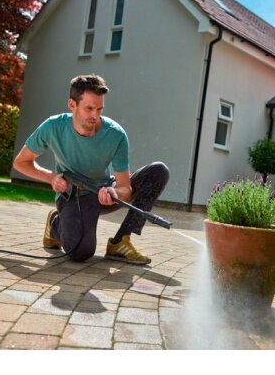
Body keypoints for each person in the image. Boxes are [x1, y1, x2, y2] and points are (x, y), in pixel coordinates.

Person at [13, 74, 169, 266]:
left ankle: (120, 241)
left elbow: (125, 187)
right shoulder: (53, 127)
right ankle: (56, 223)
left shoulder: (115, 134)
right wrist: (51, 178)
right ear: (72, 104)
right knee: (81, 252)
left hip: (104, 192)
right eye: (89, 108)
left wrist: (114, 192)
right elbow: (21, 162)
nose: (95, 115)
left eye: (99, 109)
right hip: (73, 196)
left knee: (158, 172)